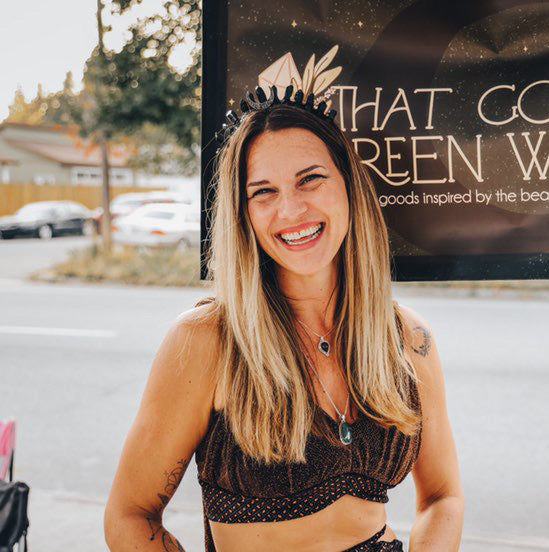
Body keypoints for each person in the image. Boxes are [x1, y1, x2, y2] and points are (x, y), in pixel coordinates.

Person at [103, 85, 464, 551]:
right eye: (264, 192)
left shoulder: (408, 338)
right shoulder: (207, 339)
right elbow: (130, 515)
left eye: (310, 179)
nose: (290, 210)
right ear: (244, 214)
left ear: (349, 185)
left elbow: (442, 497)